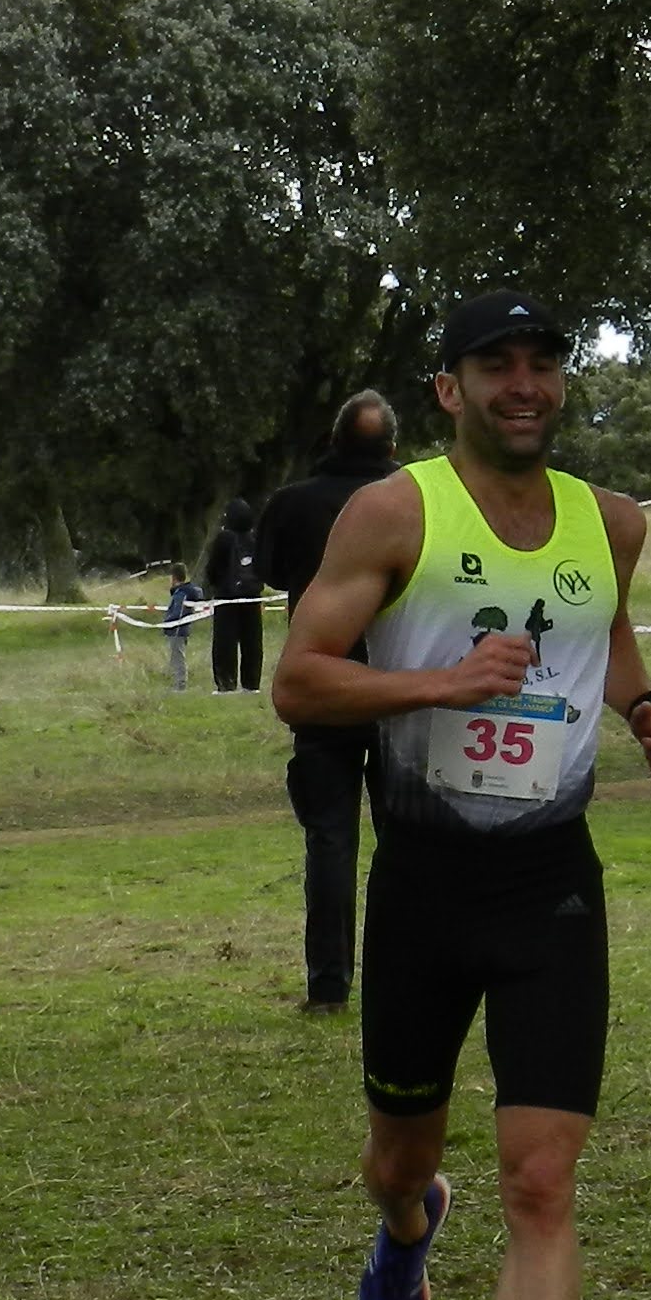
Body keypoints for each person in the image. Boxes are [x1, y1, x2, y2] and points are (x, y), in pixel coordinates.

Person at [272, 288, 651, 1300]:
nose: (524, 383)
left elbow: (598, 632)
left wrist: (646, 707)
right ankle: (406, 1230)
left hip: (551, 883)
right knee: (403, 1155)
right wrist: (437, 681)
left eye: (542, 362)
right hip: (422, 887)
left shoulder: (609, 524)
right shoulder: (395, 510)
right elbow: (300, 677)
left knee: (543, 1175)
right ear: (448, 389)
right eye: (493, 364)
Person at [256, 390, 402, 1012]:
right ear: (392, 446)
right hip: (402, 691)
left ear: (333, 440)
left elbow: (270, 571)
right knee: (406, 840)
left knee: (331, 841)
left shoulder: (292, 503)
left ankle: (328, 988)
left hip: (323, 690)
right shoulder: (414, 502)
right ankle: (405, 976)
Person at [204, 496, 263, 693]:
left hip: (227, 596)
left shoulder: (224, 538)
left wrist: (215, 585)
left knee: (225, 642)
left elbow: (212, 568)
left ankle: (226, 683)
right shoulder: (255, 538)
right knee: (252, 641)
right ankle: (251, 683)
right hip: (252, 596)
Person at [161, 566, 202, 689]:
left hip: (177, 630)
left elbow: (178, 612)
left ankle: (180, 684)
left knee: (178, 657)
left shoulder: (181, 593)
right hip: (180, 629)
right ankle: (177, 682)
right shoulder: (182, 592)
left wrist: (166, 623)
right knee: (176, 657)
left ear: (174, 577)